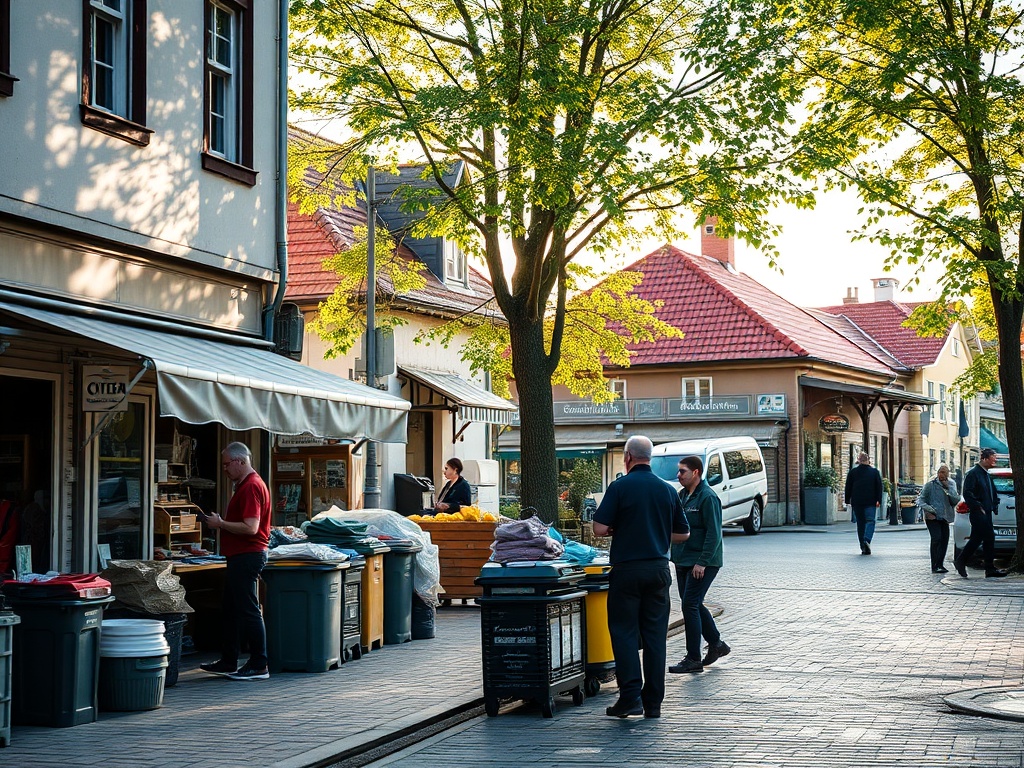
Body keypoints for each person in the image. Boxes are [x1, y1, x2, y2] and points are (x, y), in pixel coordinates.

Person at [592, 435, 690, 719]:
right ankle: (654, 703)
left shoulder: (620, 486)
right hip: (658, 570)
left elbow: (599, 528)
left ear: (628, 457)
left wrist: (620, 529)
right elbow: (683, 533)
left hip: (627, 570)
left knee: (623, 633)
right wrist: (657, 533)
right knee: (655, 637)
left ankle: (630, 698)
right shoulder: (667, 490)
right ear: (650, 458)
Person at [199, 442, 273, 680]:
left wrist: (220, 524)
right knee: (231, 610)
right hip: (241, 555)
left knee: (248, 609)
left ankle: (259, 664)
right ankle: (229, 661)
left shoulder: (251, 486)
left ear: (240, 461)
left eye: (226, 464)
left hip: (248, 555)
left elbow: (251, 527)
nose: (224, 469)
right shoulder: (245, 485)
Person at [669, 455, 730, 674]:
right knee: (692, 603)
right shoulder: (682, 495)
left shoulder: (708, 497)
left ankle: (693, 658)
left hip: (703, 562)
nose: (678, 475)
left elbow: (714, 534)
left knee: (690, 605)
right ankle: (716, 644)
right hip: (683, 560)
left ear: (695, 472)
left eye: (682, 471)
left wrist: (702, 562)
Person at [955, 448, 1007, 578]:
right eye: (993, 458)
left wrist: (994, 504)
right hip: (979, 513)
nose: (995, 460)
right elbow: (968, 493)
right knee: (986, 537)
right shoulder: (974, 474)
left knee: (980, 538)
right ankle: (964, 561)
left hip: (986, 512)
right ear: (984, 458)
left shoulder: (985, 474)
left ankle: (986, 568)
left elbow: (991, 492)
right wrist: (978, 507)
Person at [917, 465, 960, 573]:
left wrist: (948, 489)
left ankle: (940, 564)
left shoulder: (951, 484)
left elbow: (955, 500)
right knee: (936, 538)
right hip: (932, 517)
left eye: (945, 472)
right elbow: (920, 500)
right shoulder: (930, 485)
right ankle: (934, 565)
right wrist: (929, 509)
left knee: (944, 540)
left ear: (948, 474)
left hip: (945, 517)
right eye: (940, 472)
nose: (942, 475)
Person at [844, 453, 882, 555]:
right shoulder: (874, 472)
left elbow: (848, 487)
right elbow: (879, 487)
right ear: (868, 460)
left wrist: (847, 500)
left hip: (857, 502)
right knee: (870, 521)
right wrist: (879, 500)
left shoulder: (853, 472)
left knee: (860, 524)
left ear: (859, 460)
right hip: (871, 501)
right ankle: (867, 539)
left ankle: (863, 546)